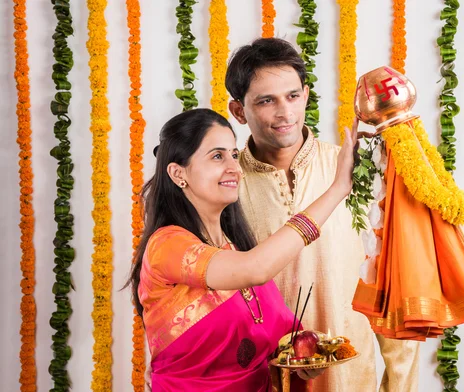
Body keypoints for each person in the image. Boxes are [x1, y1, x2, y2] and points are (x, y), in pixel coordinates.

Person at [226, 38, 420, 392]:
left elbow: (392, 289)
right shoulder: (225, 185)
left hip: (348, 379)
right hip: (258, 381)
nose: (285, 113)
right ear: (239, 111)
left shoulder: (352, 170)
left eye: (293, 96)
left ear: (307, 94)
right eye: (266, 101)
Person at [126, 107, 358, 391]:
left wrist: (303, 356)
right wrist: (337, 189)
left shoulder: (234, 249)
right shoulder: (167, 245)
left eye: (234, 155)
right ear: (178, 173)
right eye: (217, 156)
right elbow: (255, 269)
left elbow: (283, 339)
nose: (234, 168)